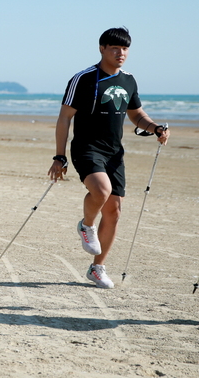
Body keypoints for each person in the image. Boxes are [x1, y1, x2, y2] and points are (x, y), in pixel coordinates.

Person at [48, 27, 170, 289]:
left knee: (114, 211)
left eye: (125, 48)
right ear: (102, 48)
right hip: (86, 148)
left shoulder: (128, 80)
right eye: (115, 48)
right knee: (101, 191)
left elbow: (136, 115)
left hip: (114, 152)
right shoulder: (83, 79)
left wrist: (156, 128)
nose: (121, 53)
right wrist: (59, 156)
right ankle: (86, 224)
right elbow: (64, 117)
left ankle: (97, 267)